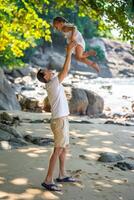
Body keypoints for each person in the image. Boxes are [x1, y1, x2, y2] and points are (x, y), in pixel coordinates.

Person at [37, 41, 77, 192]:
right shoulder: (52, 83)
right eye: (45, 70)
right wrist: (69, 52)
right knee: (58, 149)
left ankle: (62, 174)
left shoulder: (52, 82)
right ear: (45, 76)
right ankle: (48, 180)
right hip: (59, 121)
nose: (48, 70)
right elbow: (65, 70)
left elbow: (64, 71)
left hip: (62, 119)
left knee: (64, 148)